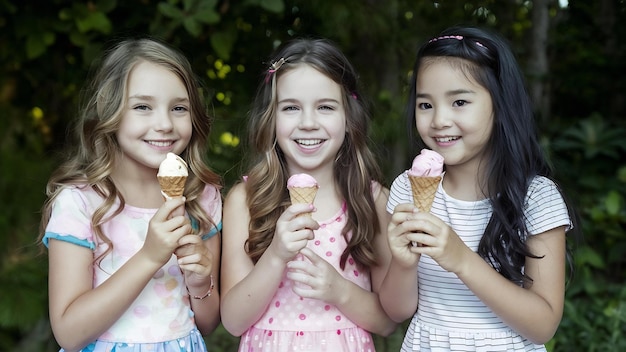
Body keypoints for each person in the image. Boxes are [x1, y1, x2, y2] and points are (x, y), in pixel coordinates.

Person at [380, 26, 577, 351]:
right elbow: (397, 310)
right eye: (425, 104)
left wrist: (462, 260)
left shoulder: (536, 197)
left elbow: (543, 325)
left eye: (459, 101)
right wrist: (403, 263)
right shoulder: (407, 189)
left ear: (500, 106)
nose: (439, 120)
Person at [39, 37, 222, 352]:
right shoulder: (80, 202)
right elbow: (68, 334)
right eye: (142, 107)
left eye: (179, 108)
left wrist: (200, 283)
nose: (164, 124)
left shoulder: (202, 198)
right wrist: (149, 257)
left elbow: (207, 322)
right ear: (110, 113)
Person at [220, 38, 396, 351]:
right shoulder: (246, 200)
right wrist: (275, 256)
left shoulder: (372, 200)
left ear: (348, 117)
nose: (309, 123)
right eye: (290, 108)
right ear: (270, 118)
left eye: (325, 107)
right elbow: (233, 321)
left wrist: (340, 291)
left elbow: (388, 320)